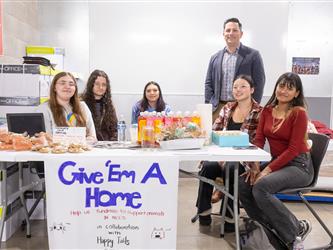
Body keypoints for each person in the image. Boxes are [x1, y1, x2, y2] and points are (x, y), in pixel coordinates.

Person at [239, 72, 313, 249]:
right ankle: (269, 231)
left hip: (299, 166)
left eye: (290, 88)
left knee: (261, 186)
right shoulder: (267, 110)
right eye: (281, 86)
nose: (284, 91)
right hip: (279, 162)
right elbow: (258, 140)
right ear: (276, 88)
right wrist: (255, 165)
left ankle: (295, 231)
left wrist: (266, 170)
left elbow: (294, 149)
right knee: (243, 183)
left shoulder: (298, 113)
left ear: (296, 93)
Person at [196, 75, 262, 230]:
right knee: (207, 167)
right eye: (235, 87)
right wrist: (208, 153)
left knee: (231, 168)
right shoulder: (227, 108)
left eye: (243, 86)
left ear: (252, 89)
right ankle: (203, 212)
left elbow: (258, 141)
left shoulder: (260, 112)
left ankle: (230, 217)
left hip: (244, 159)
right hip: (221, 155)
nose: (238, 90)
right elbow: (214, 132)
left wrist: (254, 164)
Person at [204, 17, 265, 121]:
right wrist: (210, 104)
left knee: (241, 136)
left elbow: (259, 82)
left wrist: (253, 106)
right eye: (228, 30)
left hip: (242, 108)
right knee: (215, 136)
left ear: (241, 34)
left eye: (235, 30)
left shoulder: (253, 55)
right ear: (223, 34)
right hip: (218, 108)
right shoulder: (215, 57)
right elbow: (209, 83)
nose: (230, 33)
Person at [37, 71, 96, 141]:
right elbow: (46, 139)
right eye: (62, 83)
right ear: (54, 88)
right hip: (56, 151)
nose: (67, 87)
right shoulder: (44, 109)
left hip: (81, 150)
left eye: (71, 84)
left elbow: (93, 136)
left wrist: (84, 143)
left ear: (75, 88)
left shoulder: (82, 107)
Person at [81, 69, 118, 141]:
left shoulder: (109, 105)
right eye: (97, 84)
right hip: (88, 145)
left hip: (106, 147)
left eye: (104, 85)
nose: (101, 87)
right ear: (91, 85)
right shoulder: (82, 104)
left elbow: (115, 130)